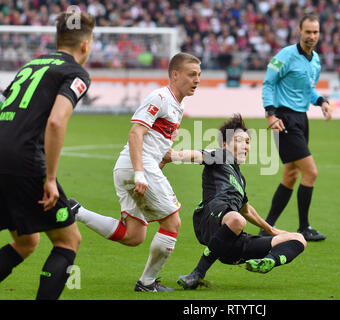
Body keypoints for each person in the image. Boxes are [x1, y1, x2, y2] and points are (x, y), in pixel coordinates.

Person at [72, 52, 201, 292]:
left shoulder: (177, 105)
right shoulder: (160, 97)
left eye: (199, 75)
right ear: (175, 74)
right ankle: (147, 283)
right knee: (172, 222)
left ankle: (77, 211)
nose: (197, 80)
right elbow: (135, 133)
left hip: (129, 167)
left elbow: (159, 145)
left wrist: (163, 163)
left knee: (133, 236)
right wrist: (141, 173)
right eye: (191, 74)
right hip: (137, 166)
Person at [0, 12, 95, 300]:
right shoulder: (76, 73)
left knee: (27, 241)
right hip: (24, 159)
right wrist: (50, 178)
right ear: (85, 45)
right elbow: (56, 121)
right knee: (69, 240)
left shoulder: (32, 64)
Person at [168, 114, 307, 289]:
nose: (245, 146)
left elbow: (246, 210)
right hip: (210, 219)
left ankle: (267, 262)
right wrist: (172, 155)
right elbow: (196, 155)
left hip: (231, 240)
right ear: (225, 144)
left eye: (247, 142)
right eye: (239, 141)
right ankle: (197, 274)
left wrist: (271, 229)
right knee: (237, 220)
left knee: (298, 239)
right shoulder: (220, 156)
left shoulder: (240, 180)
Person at [260, 14, 331, 241]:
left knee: (291, 175)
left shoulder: (316, 60)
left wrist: (322, 102)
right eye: (308, 32)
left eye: (315, 32)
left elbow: (309, 90)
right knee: (311, 172)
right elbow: (268, 83)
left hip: (301, 118)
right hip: (284, 119)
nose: (312, 36)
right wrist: (270, 115)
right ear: (299, 32)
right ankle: (304, 227)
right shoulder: (284, 56)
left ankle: (267, 226)